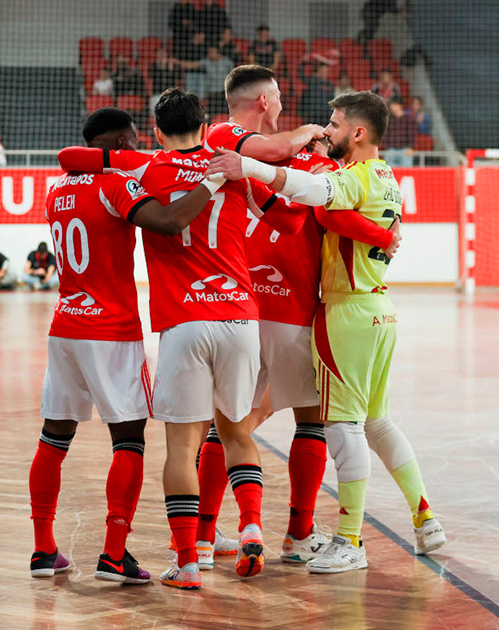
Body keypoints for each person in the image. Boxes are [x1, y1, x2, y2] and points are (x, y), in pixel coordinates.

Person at [56, 89, 310, 589]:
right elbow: (292, 221)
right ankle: (252, 527)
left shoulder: (144, 167)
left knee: (182, 447)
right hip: (240, 318)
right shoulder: (233, 168)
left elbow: (72, 159)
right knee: (237, 433)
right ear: (205, 125)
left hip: (183, 322)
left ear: (155, 130)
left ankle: (188, 562)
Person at [207, 90, 447, 573]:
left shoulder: (348, 176)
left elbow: (314, 200)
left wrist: (248, 169)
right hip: (379, 310)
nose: (325, 129)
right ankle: (425, 518)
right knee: (376, 423)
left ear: (357, 132)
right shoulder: (386, 176)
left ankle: (349, 540)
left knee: (335, 426)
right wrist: (382, 235)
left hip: (343, 313)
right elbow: (327, 211)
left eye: (334, 124)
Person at [29, 105, 218, 585]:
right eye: (131, 141)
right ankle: (114, 555)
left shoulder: (57, 190)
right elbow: (169, 222)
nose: (137, 149)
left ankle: (43, 549)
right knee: (129, 440)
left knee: (53, 438)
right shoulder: (115, 184)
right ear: (115, 144)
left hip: (65, 325)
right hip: (110, 329)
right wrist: (211, 181)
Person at [381, 99, 416, 166]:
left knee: (406, 170)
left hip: (405, 150)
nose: (391, 106)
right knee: (390, 170)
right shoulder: (389, 119)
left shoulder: (408, 119)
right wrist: (387, 147)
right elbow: (385, 135)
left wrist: (410, 148)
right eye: (391, 105)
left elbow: (412, 134)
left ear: (400, 105)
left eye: (394, 104)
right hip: (391, 150)